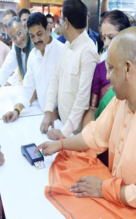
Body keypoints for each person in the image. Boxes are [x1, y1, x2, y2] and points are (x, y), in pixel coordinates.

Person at [35, 27, 136, 219]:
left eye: (111, 68)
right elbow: (94, 135)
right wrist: (60, 144)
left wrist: (102, 188)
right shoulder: (121, 101)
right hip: (120, 202)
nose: (107, 76)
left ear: (128, 69)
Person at [42, 0, 98, 140]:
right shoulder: (68, 44)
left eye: (60, 20)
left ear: (66, 22)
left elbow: (83, 99)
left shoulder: (88, 51)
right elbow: (55, 77)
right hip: (63, 124)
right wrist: (48, 111)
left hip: (76, 134)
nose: (60, 23)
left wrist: (64, 132)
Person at [2, 12, 64, 123]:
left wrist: (58, 112)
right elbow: (28, 88)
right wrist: (17, 110)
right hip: (40, 115)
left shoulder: (62, 51)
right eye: (32, 36)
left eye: (39, 34)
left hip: (61, 117)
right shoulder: (33, 56)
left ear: (48, 30)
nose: (36, 40)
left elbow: (70, 90)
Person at [82, 10, 130, 130]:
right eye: (104, 38)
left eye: (111, 37)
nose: (107, 44)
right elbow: (93, 109)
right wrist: (87, 138)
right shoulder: (100, 68)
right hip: (103, 135)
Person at [0, 16, 35, 104]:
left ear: (25, 28)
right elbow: (5, 69)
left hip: (37, 95)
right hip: (28, 95)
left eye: (19, 33)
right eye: (14, 38)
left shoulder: (35, 43)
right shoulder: (16, 47)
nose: (18, 40)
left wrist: (22, 105)